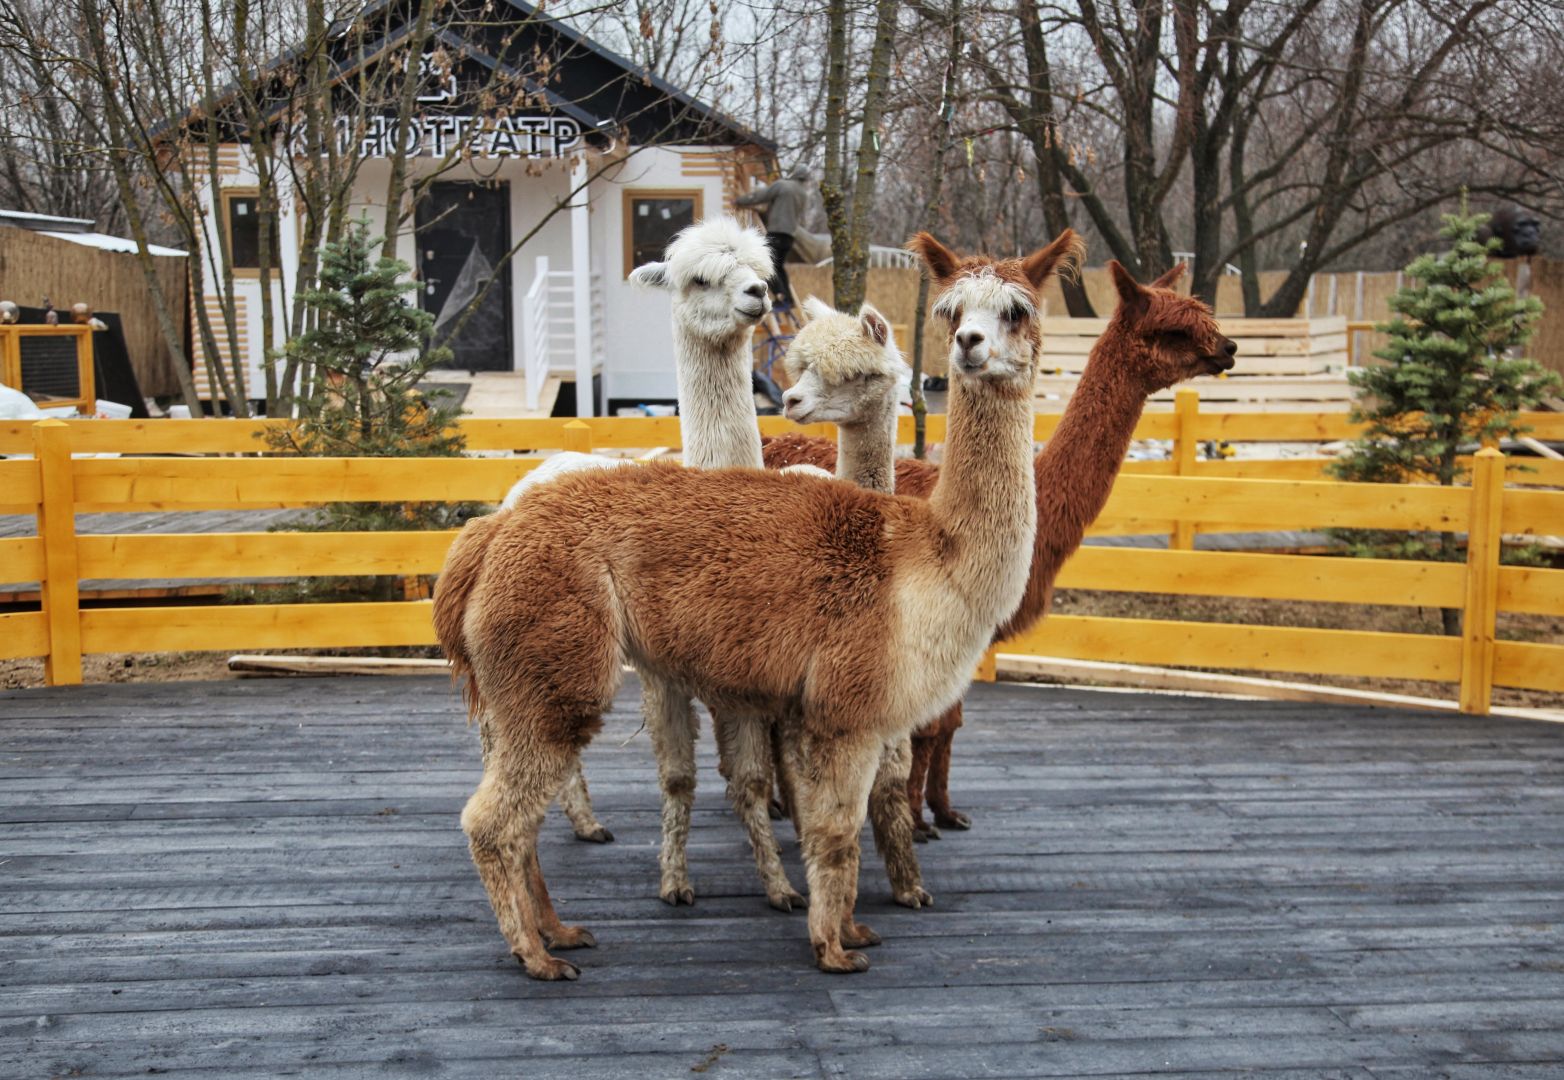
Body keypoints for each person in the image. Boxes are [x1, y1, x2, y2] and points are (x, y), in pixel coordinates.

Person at [735, 165, 811, 307]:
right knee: (779, 266)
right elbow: (781, 209)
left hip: (777, 231)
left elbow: (761, 196)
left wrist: (740, 201)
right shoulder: (802, 193)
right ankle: (788, 299)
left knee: (765, 265)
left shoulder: (782, 186)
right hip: (790, 236)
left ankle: (781, 298)